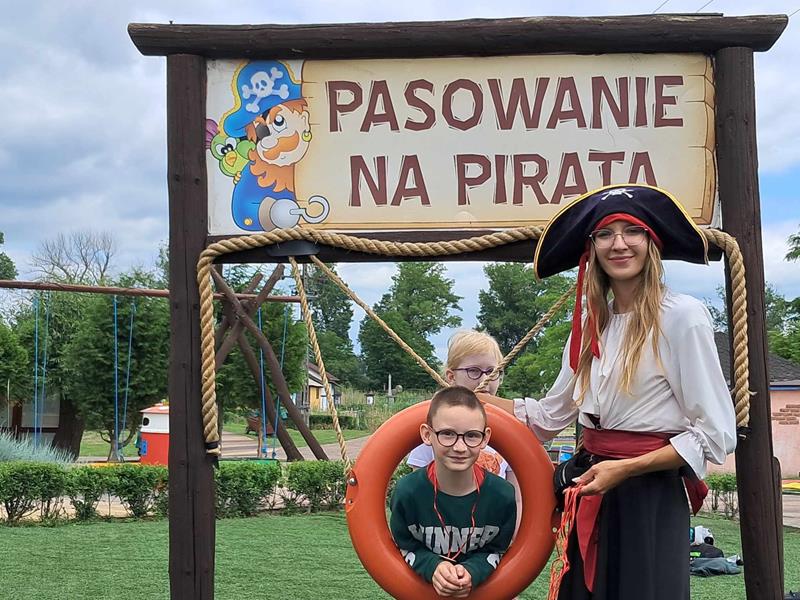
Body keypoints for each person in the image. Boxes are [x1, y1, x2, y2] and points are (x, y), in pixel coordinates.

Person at [514, 184, 737, 600]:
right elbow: (548, 417)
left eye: (632, 231)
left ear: (651, 242)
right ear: (592, 247)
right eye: (605, 234)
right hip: (590, 482)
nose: (618, 244)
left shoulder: (683, 317)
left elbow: (715, 434)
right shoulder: (589, 321)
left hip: (650, 494)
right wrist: (469, 400)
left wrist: (626, 468)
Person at [390, 386, 517, 597]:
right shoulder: (407, 492)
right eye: (447, 434)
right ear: (427, 434)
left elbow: (497, 549)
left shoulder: (502, 495)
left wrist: (473, 571)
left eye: (472, 435)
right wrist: (433, 566)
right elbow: (405, 545)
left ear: (485, 438)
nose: (460, 447)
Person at [407, 330, 510, 478]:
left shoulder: (510, 430)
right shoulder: (435, 426)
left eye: (492, 372)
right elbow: (418, 485)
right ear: (451, 377)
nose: (484, 381)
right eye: (473, 371)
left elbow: (517, 491)